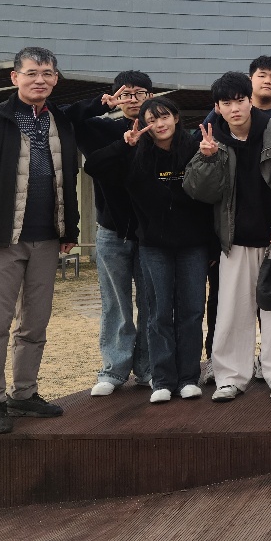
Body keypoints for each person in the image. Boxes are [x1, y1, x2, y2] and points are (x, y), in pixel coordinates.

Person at [0, 47, 77, 434]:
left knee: (36, 322)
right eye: (32, 72)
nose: (40, 80)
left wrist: (69, 229)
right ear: (15, 77)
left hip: (46, 238)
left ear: (56, 79)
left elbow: (67, 179)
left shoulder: (60, 121)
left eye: (48, 73)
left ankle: (24, 394)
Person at [184, 71, 271, 401]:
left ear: (250, 100)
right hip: (234, 239)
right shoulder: (212, 139)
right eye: (227, 103)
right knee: (232, 311)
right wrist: (206, 159)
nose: (234, 108)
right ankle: (230, 377)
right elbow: (200, 192)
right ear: (217, 107)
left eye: (240, 100)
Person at [85, 97, 214, 403]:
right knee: (158, 313)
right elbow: (93, 166)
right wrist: (123, 144)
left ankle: (188, 377)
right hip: (154, 246)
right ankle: (163, 380)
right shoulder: (136, 154)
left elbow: (212, 196)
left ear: (176, 117)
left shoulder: (194, 148)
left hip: (193, 245)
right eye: (152, 120)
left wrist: (210, 158)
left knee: (191, 311)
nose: (160, 124)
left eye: (164, 116)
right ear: (144, 125)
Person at [73, 70, 155, 396]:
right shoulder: (101, 129)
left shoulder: (161, 130)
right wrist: (99, 103)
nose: (132, 99)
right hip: (111, 230)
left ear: (150, 96)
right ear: (115, 97)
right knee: (114, 303)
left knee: (152, 302)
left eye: (139, 93)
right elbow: (65, 118)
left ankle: (149, 369)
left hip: (152, 233)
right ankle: (114, 369)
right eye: (125, 93)